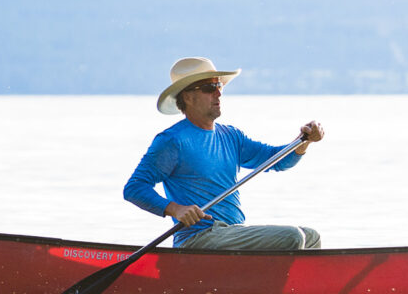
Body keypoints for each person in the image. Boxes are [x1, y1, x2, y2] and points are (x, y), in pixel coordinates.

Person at [123, 56, 326, 250]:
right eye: (209, 88)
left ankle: (295, 286)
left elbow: (278, 161)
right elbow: (134, 188)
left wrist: (303, 141)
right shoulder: (172, 141)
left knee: (311, 236)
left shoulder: (231, 136)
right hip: (197, 238)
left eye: (219, 86)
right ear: (188, 97)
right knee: (292, 237)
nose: (218, 93)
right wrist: (175, 209)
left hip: (232, 233)